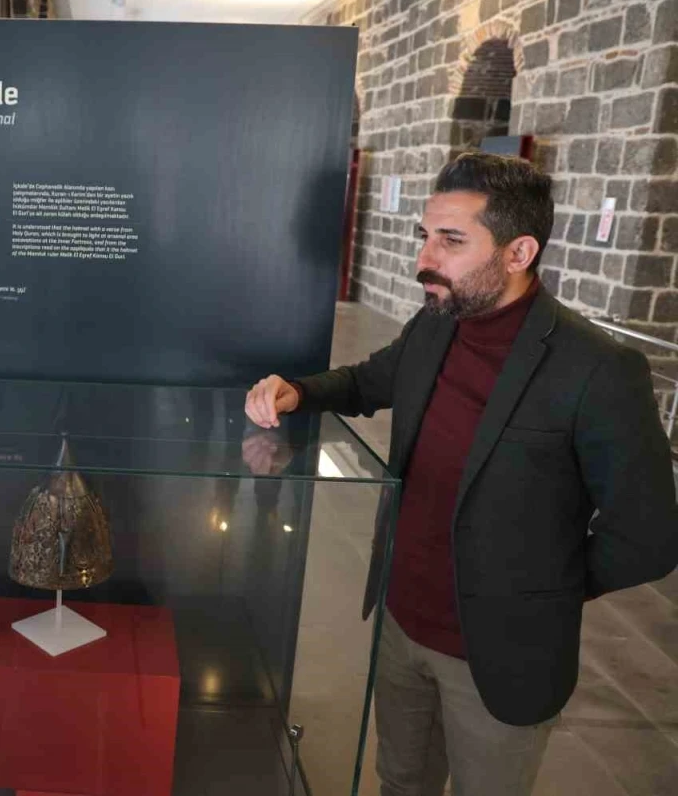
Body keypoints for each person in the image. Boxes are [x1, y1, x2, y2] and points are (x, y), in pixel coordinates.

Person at [245, 152, 678, 796]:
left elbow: (648, 537)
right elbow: (367, 381)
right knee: (400, 782)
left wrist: (543, 590)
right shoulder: (436, 324)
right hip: (400, 622)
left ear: (518, 252)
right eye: (425, 235)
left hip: (500, 653)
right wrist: (298, 392)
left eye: (451, 240)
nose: (424, 259)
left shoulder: (597, 369)